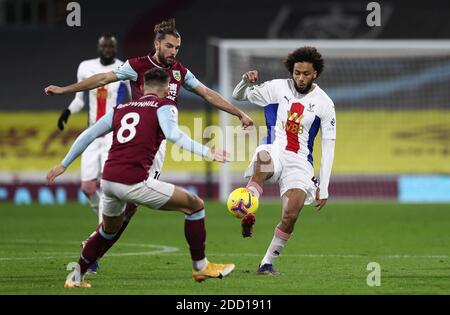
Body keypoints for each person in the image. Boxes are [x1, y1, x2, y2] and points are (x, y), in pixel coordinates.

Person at [44, 18, 253, 273]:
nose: (173, 52)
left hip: (158, 143)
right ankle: (94, 252)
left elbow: (207, 93)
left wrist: (238, 113)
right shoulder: (136, 66)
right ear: (157, 44)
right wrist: (66, 90)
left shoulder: (179, 71)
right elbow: (101, 79)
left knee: (127, 209)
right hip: (137, 142)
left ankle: (91, 253)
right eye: (168, 46)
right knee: (133, 205)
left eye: (177, 47)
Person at [46, 68, 235, 288]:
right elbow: (174, 135)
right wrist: (208, 152)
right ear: (166, 90)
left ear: (142, 87)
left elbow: (88, 134)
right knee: (195, 206)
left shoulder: (121, 108)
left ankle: (75, 278)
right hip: (133, 182)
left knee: (107, 231)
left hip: (108, 182)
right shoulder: (165, 106)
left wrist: (63, 164)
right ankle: (200, 266)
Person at [232, 47, 336, 275]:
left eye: (306, 74)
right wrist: (244, 82)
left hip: (300, 162)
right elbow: (238, 96)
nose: (300, 78)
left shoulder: (325, 104)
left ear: (315, 74)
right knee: (263, 158)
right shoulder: (276, 88)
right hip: (275, 149)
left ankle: (266, 263)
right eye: (297, 72)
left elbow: (328, 146)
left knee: (290, 215)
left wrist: (324, 187)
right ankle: (248, 208)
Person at [57, 33, 129, 221]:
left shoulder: (124, 68)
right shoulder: (86, 67)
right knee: (87, 188)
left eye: (110, 46)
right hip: (92, 134)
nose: (107, 50)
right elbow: (80, 98)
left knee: (107, 184)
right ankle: (106, 214)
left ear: (115, 48)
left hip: (113, 135)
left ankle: (102, 228)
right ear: (99, 47)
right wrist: (67, 112)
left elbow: (133, 97)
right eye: (104, 46)